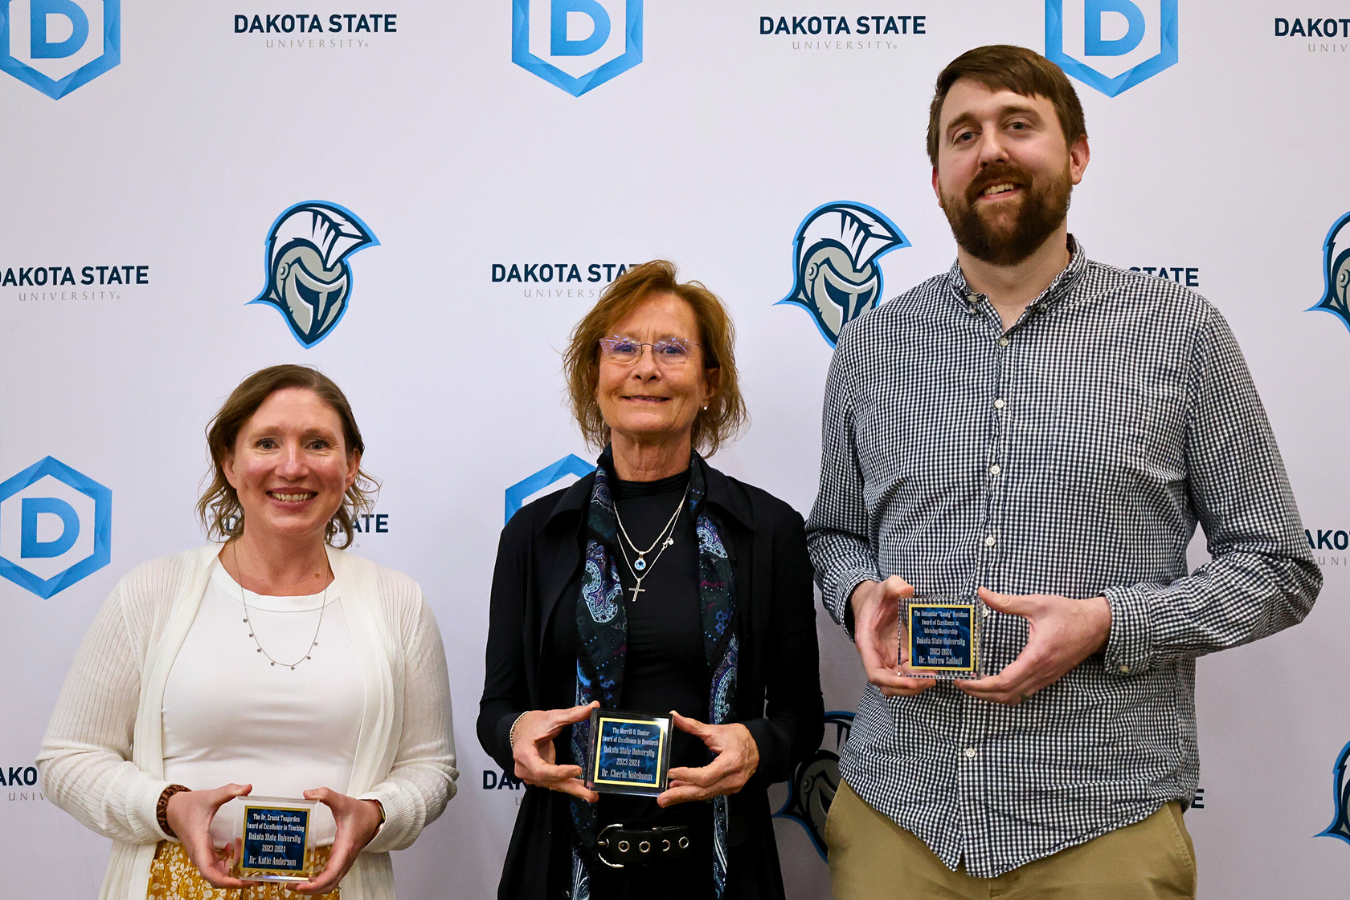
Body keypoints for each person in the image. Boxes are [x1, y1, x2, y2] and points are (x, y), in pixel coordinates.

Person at [806, 45, 1321, 900]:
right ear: (936, 176)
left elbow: (1278, 568)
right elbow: (834, 532)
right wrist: (860, 596)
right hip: (897, 816)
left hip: (1101, 826)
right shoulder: (870, 346)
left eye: (1019, 124)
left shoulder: (1182, 333)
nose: (991, 150)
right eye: (962, 134)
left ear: (1076, 155)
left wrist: (1109, 625)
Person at [38, 364, 457, 900]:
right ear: (229, 463)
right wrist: (168, 806)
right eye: (266, 443)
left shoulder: (399, 602)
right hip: (172, 887)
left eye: (317, 444)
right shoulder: (151, 592)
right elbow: (68, 757)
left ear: (351, 465)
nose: (292, 466)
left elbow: (430, 767)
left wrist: (378, 814)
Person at [478, 260, 823, 900]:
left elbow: (800, 717)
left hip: (718, 869)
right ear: (595, 375)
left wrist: (756, 745)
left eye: (672, 349)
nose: (646, 368)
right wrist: (514, 734)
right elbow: (498, 709)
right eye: (623, 348)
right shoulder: (536, 534)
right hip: (562, 868)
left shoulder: (766, 531)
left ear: (709, 382)